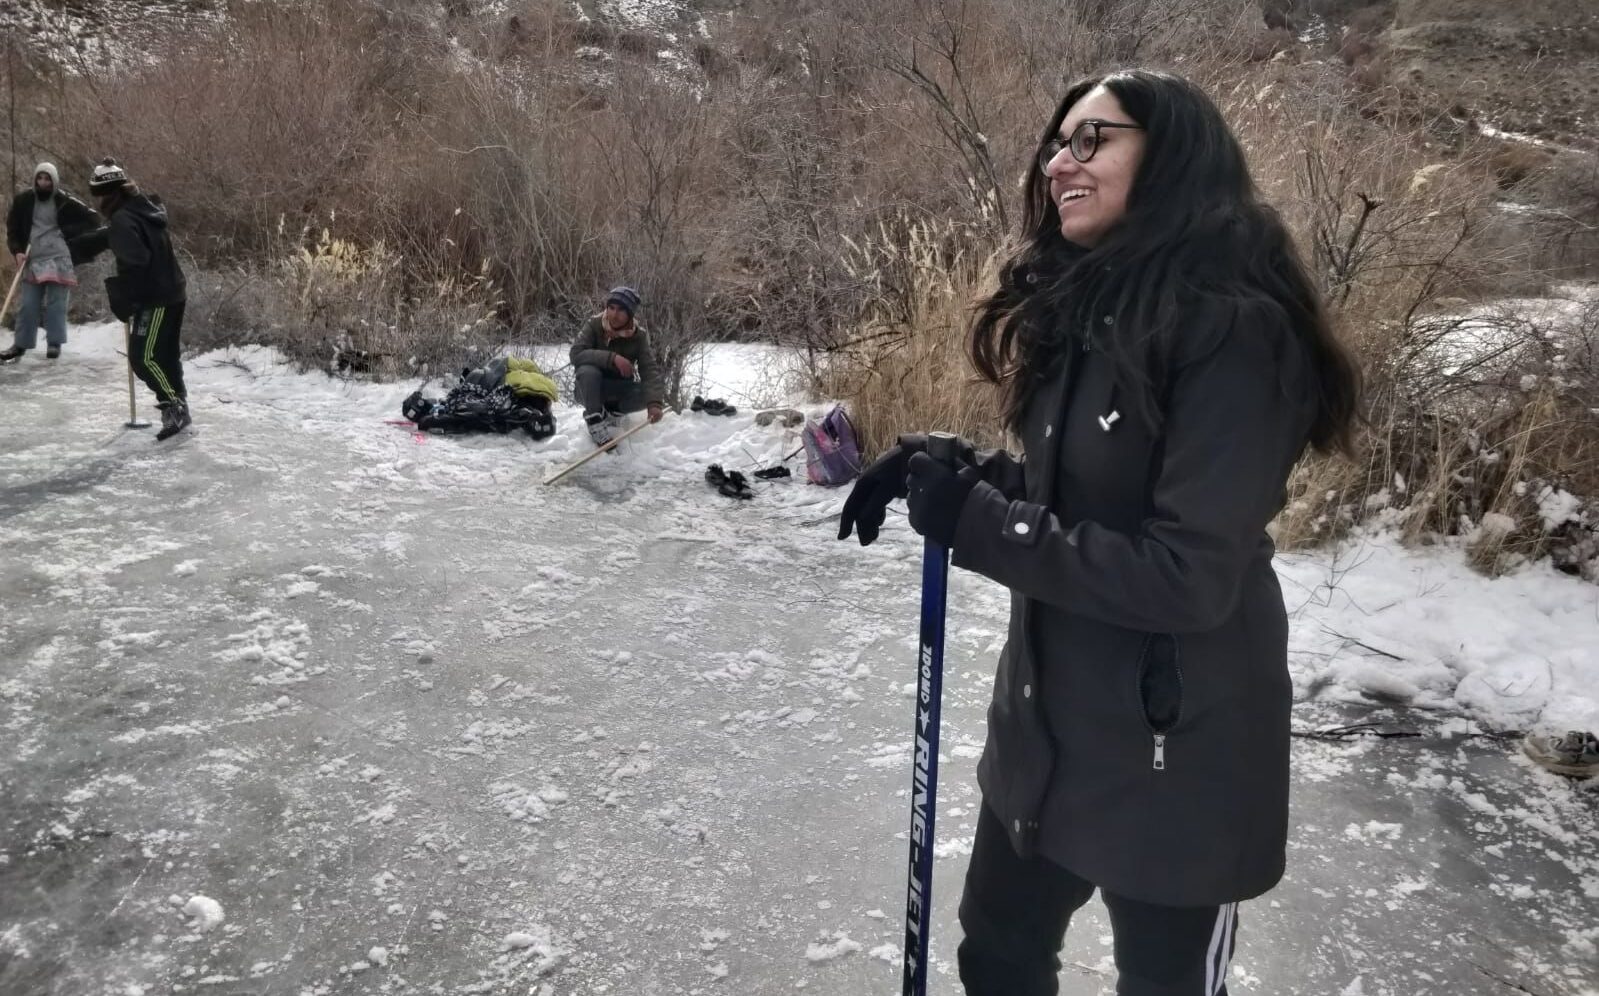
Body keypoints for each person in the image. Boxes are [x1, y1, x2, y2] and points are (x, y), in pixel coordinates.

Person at [838, 70, 1361, 995]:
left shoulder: (1239, 335)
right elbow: (1073, 501)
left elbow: (1185, 574)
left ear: (1172, 159)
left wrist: (981, 524)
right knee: (997, 954)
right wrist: (953, 474)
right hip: (1045, 724)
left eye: (1093, 140)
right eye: (1055, 143)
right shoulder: (1087, 312)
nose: (1058, 163)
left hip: (1178, 747)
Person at [78, 158, 191, 440]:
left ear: (107, 195)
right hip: (173, 290)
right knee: (166, 355)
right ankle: (180, 407)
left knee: (143, 358)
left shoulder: (122, 220)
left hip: (155, 297)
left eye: (99, 195)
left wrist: (124, 296)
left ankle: (173, 405)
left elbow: (136, 261)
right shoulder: (145, 207)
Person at [1, 163, 102, 363]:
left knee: (56, 303)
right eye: (40, 178)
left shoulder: (64, 200)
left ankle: (54, 343)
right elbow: (12, 229)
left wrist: (65, 233)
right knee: (29, 304)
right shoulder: (23, 200)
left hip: (59, 256)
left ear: (54, 181)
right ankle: (20, 344)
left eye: (48, 179)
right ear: (35, 179)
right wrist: (18, 251)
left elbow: (93, 219)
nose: (43, 183)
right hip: (33, 256)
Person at [569, 286, 665, 446]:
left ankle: (611, 413)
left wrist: (654, 404)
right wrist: (612, 358)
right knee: (588, 370)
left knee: (646, 393)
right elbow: (576, 354)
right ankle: (594, 421)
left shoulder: (639, 336)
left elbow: (649, 370)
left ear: (630, 314)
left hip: (618, 389)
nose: (614, 314)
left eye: (621, 310)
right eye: (611, 308)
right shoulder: (594, 324)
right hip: (588, 389)